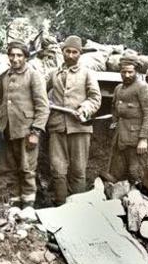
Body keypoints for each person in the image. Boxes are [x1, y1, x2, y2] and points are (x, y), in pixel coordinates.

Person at [46, 35, 101, 205]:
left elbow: (95, 98)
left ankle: (78, 208)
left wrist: (84, 108)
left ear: (80, 54)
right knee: (57, 169)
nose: (70, 55)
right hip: (57, 127)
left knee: (78, 169)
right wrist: (45, 102)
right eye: (67, 51)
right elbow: (40, 93)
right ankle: (61, 206)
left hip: (79, 127)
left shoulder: (87, 74)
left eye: (74, 52)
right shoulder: (53, 74)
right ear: (62, 52)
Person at [0, 40, 49, 208]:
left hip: (27, 130)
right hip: (8, 130)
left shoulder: (33, 75)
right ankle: (13, 203)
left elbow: (43, 106)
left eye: (19, 55)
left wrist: (36, 131)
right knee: (10, 167)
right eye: (12, 55)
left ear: (26, 57)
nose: (15, 58)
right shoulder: (4, 76)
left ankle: (28, 206)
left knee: (27, 169)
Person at [109, 56, 148, 184]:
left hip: (137, 142)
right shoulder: (118, 89)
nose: (127, 75)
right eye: (124, 72)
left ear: (137, 72)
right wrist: (114, 124)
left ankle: (140, 202)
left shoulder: (143, 88)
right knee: (118, 175)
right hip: (122, 140)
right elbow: (114, 108)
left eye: (130, 72)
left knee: (137, 175)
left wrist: (143, 139)